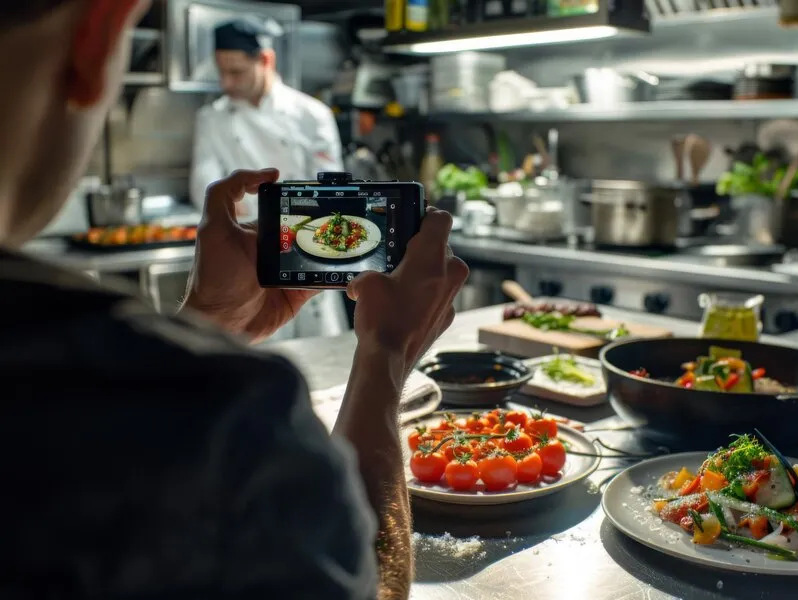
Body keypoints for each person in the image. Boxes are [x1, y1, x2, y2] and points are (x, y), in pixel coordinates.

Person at [0, 2, 469, 600]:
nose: (225, 81)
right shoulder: (233, 428)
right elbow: (371, 582)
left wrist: (204, 325)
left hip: (298, 275)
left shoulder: (309, 113)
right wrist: (386, 355)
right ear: (100, 34)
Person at [190, 16, 348, 339]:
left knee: (326, 362)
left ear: (266, 60)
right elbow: (203, 187)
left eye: (236, 72)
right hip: (253, 262)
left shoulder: (311, 115)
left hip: (312, 257)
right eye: (222, 72)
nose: (226, 83)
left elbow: (331, 192)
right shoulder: (213, 118)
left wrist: (260, 211)